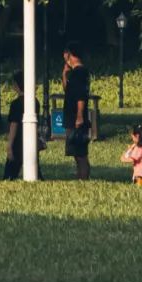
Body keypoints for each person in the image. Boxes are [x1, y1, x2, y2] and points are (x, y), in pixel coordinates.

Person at [61, 44, 92, 181]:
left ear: (70, 54)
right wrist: (64, 73)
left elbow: (80, 96)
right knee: (75, 151)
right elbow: (67, 90)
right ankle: (80, 175)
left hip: (76, 116)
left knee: (80, 152)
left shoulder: (79, 73)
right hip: (71, 116)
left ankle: (83, 177)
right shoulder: (75, 73)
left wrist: (79, 116)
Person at [4, 70, 41, 180]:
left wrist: (9, 145)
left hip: (18, 141)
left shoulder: (16, 104)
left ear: (17, 85)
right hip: (32, 139)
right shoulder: (35, 102)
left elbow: (14, 125)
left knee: (10, 172)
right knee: (35, 167)